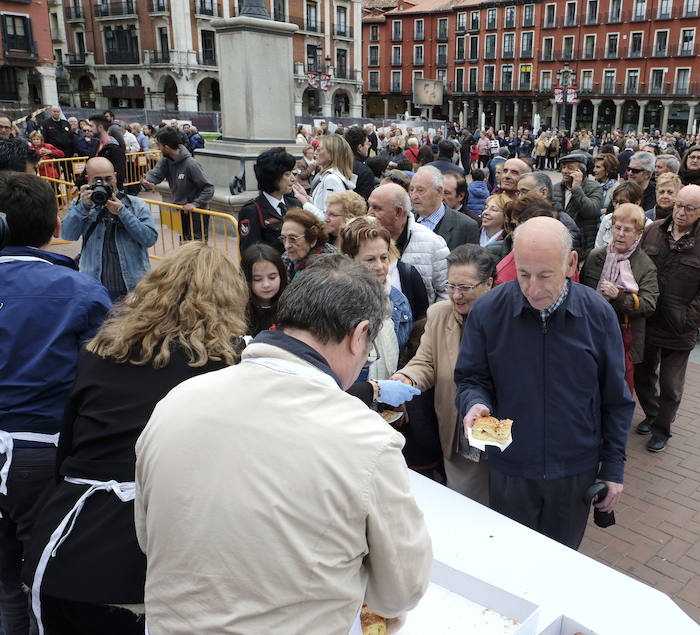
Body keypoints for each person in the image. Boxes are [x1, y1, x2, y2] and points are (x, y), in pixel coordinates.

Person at [134, 255, 432, 634]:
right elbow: (401, 591)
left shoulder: (176, 402)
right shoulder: (366, 439)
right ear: (359, 335)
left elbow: (150, 537)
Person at [22, 243, 245, 635]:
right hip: (160, 552)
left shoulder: (100, 352)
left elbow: (68, 452)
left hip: (68, 541)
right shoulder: (228, 367)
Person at [455, 217, 633, 549]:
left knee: (562, 563)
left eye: (545, 275)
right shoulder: (488, 311)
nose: (533, 288)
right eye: (523, 274)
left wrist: (613, 468)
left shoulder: (598, 314)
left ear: (571, 263)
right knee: (512, 560)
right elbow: (471, 378)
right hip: (510, 467)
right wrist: (474, 403)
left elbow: (616, 399)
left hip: (574, 471)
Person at [0, 172, 111, 635]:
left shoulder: (81, 290)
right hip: (42, 448)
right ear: (51, 226)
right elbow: (102, 375)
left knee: (7, 579)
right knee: (40, 574)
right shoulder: (81, 291)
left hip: (34, 445)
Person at [391, 245, 496, 505]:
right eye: (451, 286)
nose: (456, 296)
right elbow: (425, 362)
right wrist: (406, 379)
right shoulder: (439, 315)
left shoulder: (507, 319)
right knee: (465, 505)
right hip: (459, 434)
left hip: (498, 429)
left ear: (489, 283)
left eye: (465, 288)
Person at [635, 184, 700, 453]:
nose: (681, 213)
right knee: (642, 374)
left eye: (689, 208)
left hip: (679, 325)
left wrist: (689, 317)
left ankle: (662, 428)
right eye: (678, 205)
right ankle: (652, 413)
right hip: (648, 318)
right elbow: (637, 265)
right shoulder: (653, 230)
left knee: (671, 385)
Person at [581, 203, 659, 395]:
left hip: (623, 338)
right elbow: (581, 291)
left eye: (628, 230)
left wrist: (620, 296)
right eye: (617, 227)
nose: (621, 234)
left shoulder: (645, 265)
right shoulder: (595, 256)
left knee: (618, 390)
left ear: (639, 234)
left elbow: (649, 304)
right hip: (591, 333)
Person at [61, 157, 158, 302]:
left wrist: (123, 213)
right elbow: (67, 234)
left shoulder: (135, 205)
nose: (105, 184)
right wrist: (83, 207)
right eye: (98, 180)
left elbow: (149, 239)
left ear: (116, 177)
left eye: (108, 179)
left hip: (132, 287)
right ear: (88, 180)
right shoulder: (81, 204)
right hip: (94, 288)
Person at [339, 217, 413, 378]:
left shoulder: (399, 302)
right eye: (370, 259)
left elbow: (403, 357)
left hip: (387, 396)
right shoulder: (334, 304)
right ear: (348, 260)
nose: (379, 266)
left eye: (384, 258)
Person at [141, 128, 215, 242]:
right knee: (184, 242)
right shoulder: (166, 161)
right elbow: (156, 173)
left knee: (197, 245)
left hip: (197, 213)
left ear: (166, 148)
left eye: (159, 145)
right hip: (181, 209)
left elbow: (208, 188)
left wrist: (195, 204)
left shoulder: (191, 164)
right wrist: (148, 181)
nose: (158, 149)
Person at [238, 147, 300, 254]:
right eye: (287, 174)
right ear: (273, 177)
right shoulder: (253, 210)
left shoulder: (295, 204)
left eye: (292, 173)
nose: (293, 179)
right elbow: (251, 253)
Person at [410, 166, 478, 251]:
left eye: (420, 190)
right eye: (411, 190)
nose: (413, 196)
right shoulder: (405, 220)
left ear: (439, 191)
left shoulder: (466, 226)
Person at [553, 152, 605, 260]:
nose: (565, 171)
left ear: (581, 172)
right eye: (563, 167)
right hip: (558, 243)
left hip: (583, 246)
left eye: (570, 168)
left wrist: (576, 188)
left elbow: (591, 211)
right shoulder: (555, 188)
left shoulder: (594, 187)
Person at [295, 134, 357, 220]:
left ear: (332, 154)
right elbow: (320, 206)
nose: (315, 152)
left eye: (319, 149)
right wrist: (307, 197)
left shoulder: (331, 179)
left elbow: (328, 220)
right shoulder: (329, 177)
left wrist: (305, 203)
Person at [242, 242, 289, 335]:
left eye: (272, 277)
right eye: (257, 279)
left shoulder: (290, 307)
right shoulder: (241, 311)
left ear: (281, 276)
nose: (266, 285)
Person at [280, 207, 337, 281]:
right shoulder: (287, 258)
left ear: (312, 240)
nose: (287, 245)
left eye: (292, 238)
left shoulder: (331, 263)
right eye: (283, 238)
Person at [594, 180, 643, 249]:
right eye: (615, 202)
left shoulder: (647, 225)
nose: (617, 206)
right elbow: (597, 248)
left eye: (622, 202)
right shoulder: (607, 219)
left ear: (637, 203)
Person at [87, 114, 126, 188]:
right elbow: (88, 166)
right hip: (96, 189)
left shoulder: (114, 148)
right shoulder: (95, 145)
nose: (89, 129)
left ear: (100, 127)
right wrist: (77, 184)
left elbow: (120, 174)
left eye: (91, 126)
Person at [344, 126, 376, 201]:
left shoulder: (338, 163)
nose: (368, 147)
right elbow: (365, 203)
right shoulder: (365, 172)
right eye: (367, 144)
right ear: (360, 147)